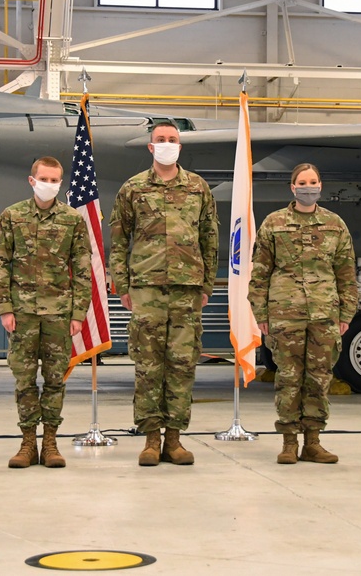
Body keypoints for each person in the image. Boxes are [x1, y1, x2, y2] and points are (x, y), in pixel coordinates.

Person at [109, 121, 219, 466]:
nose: (167, 144)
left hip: (187, 290)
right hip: (146, 288)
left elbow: (209, 239)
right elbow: (118, 239)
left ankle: (175, 439)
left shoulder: (198, 188)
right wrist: (122, 284)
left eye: (173, 140)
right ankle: (151, 440)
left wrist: (206, 284)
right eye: (161, 140)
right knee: (148, 365)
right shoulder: (134, 188)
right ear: (150, 147)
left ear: (180, 148)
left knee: (183, 365)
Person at [249, 163, 358, 465]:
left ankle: (313, 441)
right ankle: (288, 442)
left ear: (320, 186)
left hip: (325, 314)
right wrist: (260, 312)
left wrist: (347, 313)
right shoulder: (274, 223)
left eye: (313, 182)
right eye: (302, 182)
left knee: (319, 378)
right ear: (292, 187)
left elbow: (346, 273)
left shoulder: (335, 224)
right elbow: (260, 272)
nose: (308, 187)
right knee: (288, 377)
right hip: (285, 314)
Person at [0, 156, 92, 469]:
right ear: (32, 180)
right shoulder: (12, 216)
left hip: (59, 314)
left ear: (61, 183)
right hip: (22, 313)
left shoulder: (72, 220)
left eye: (55, 180)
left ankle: (50, 442)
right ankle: (26, 443)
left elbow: (84, 269)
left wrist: (78, 313)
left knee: (54, 380)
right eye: (44, 179)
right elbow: (0, 263)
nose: (50, 185)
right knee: (23, 379)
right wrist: (5, 307)